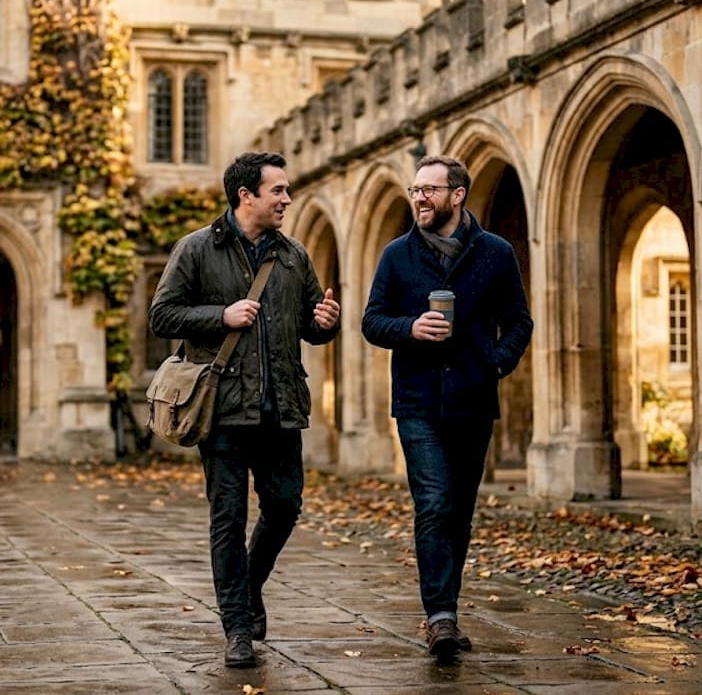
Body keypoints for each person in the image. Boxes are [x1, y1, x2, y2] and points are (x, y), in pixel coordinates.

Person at [149, 151, 341, 669]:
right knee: (227, 519)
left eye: (286, 190)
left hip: (281, 408)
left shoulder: (294, 253)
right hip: (224, 410)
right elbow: (162, 314)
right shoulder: (195, 248)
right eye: (278, 190)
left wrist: (325, 321)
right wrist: (221, 315)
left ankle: (248, 586)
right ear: (246, 196)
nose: (287, 198)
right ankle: (237, 628)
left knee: (284, 507)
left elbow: (308, 325)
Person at [361, 155, 532, 660]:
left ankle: (447, 609)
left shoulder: (496, 253)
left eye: (429, 190)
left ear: (457, 195)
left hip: (474, 401)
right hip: (416, 401)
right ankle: (440, 618)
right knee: (433, 503)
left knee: (458, 511)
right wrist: (409, 329)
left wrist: (493, 364)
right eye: (415, 190)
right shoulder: (397, 255)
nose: (419, 198)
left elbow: (519, 322)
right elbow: (373, 321)